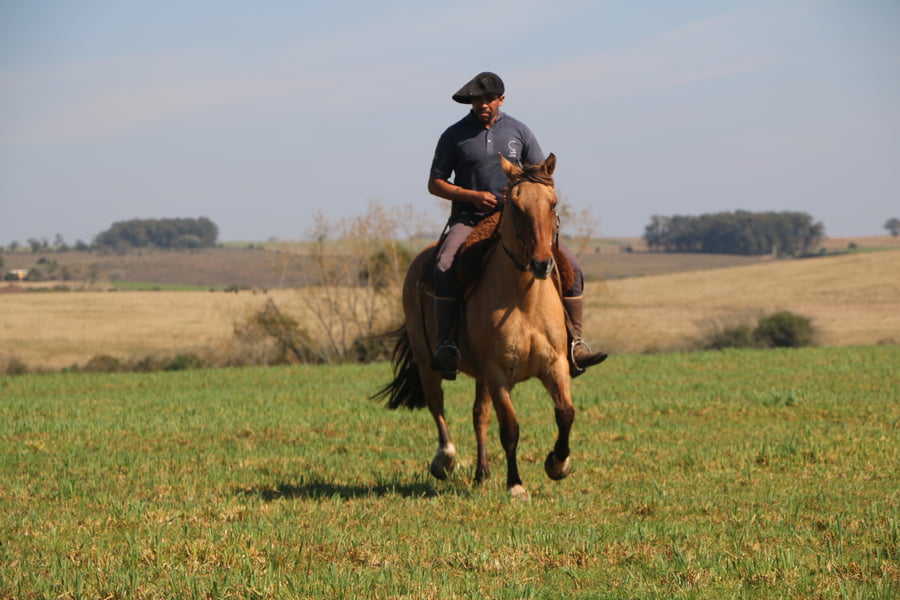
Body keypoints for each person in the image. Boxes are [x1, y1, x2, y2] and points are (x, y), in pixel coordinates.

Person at [427, 71, 607, 379]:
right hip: (470, 219)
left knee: (573, 268)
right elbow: (435, 183)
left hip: (518, 221)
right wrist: (472, 196)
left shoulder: (519, 131)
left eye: (488, 99)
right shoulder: (453, 135)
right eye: (477, 100)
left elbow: (541, 175)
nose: (482, 105)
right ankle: (448, 345)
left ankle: (575, 344)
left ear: (501, 100)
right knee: (444, 264)